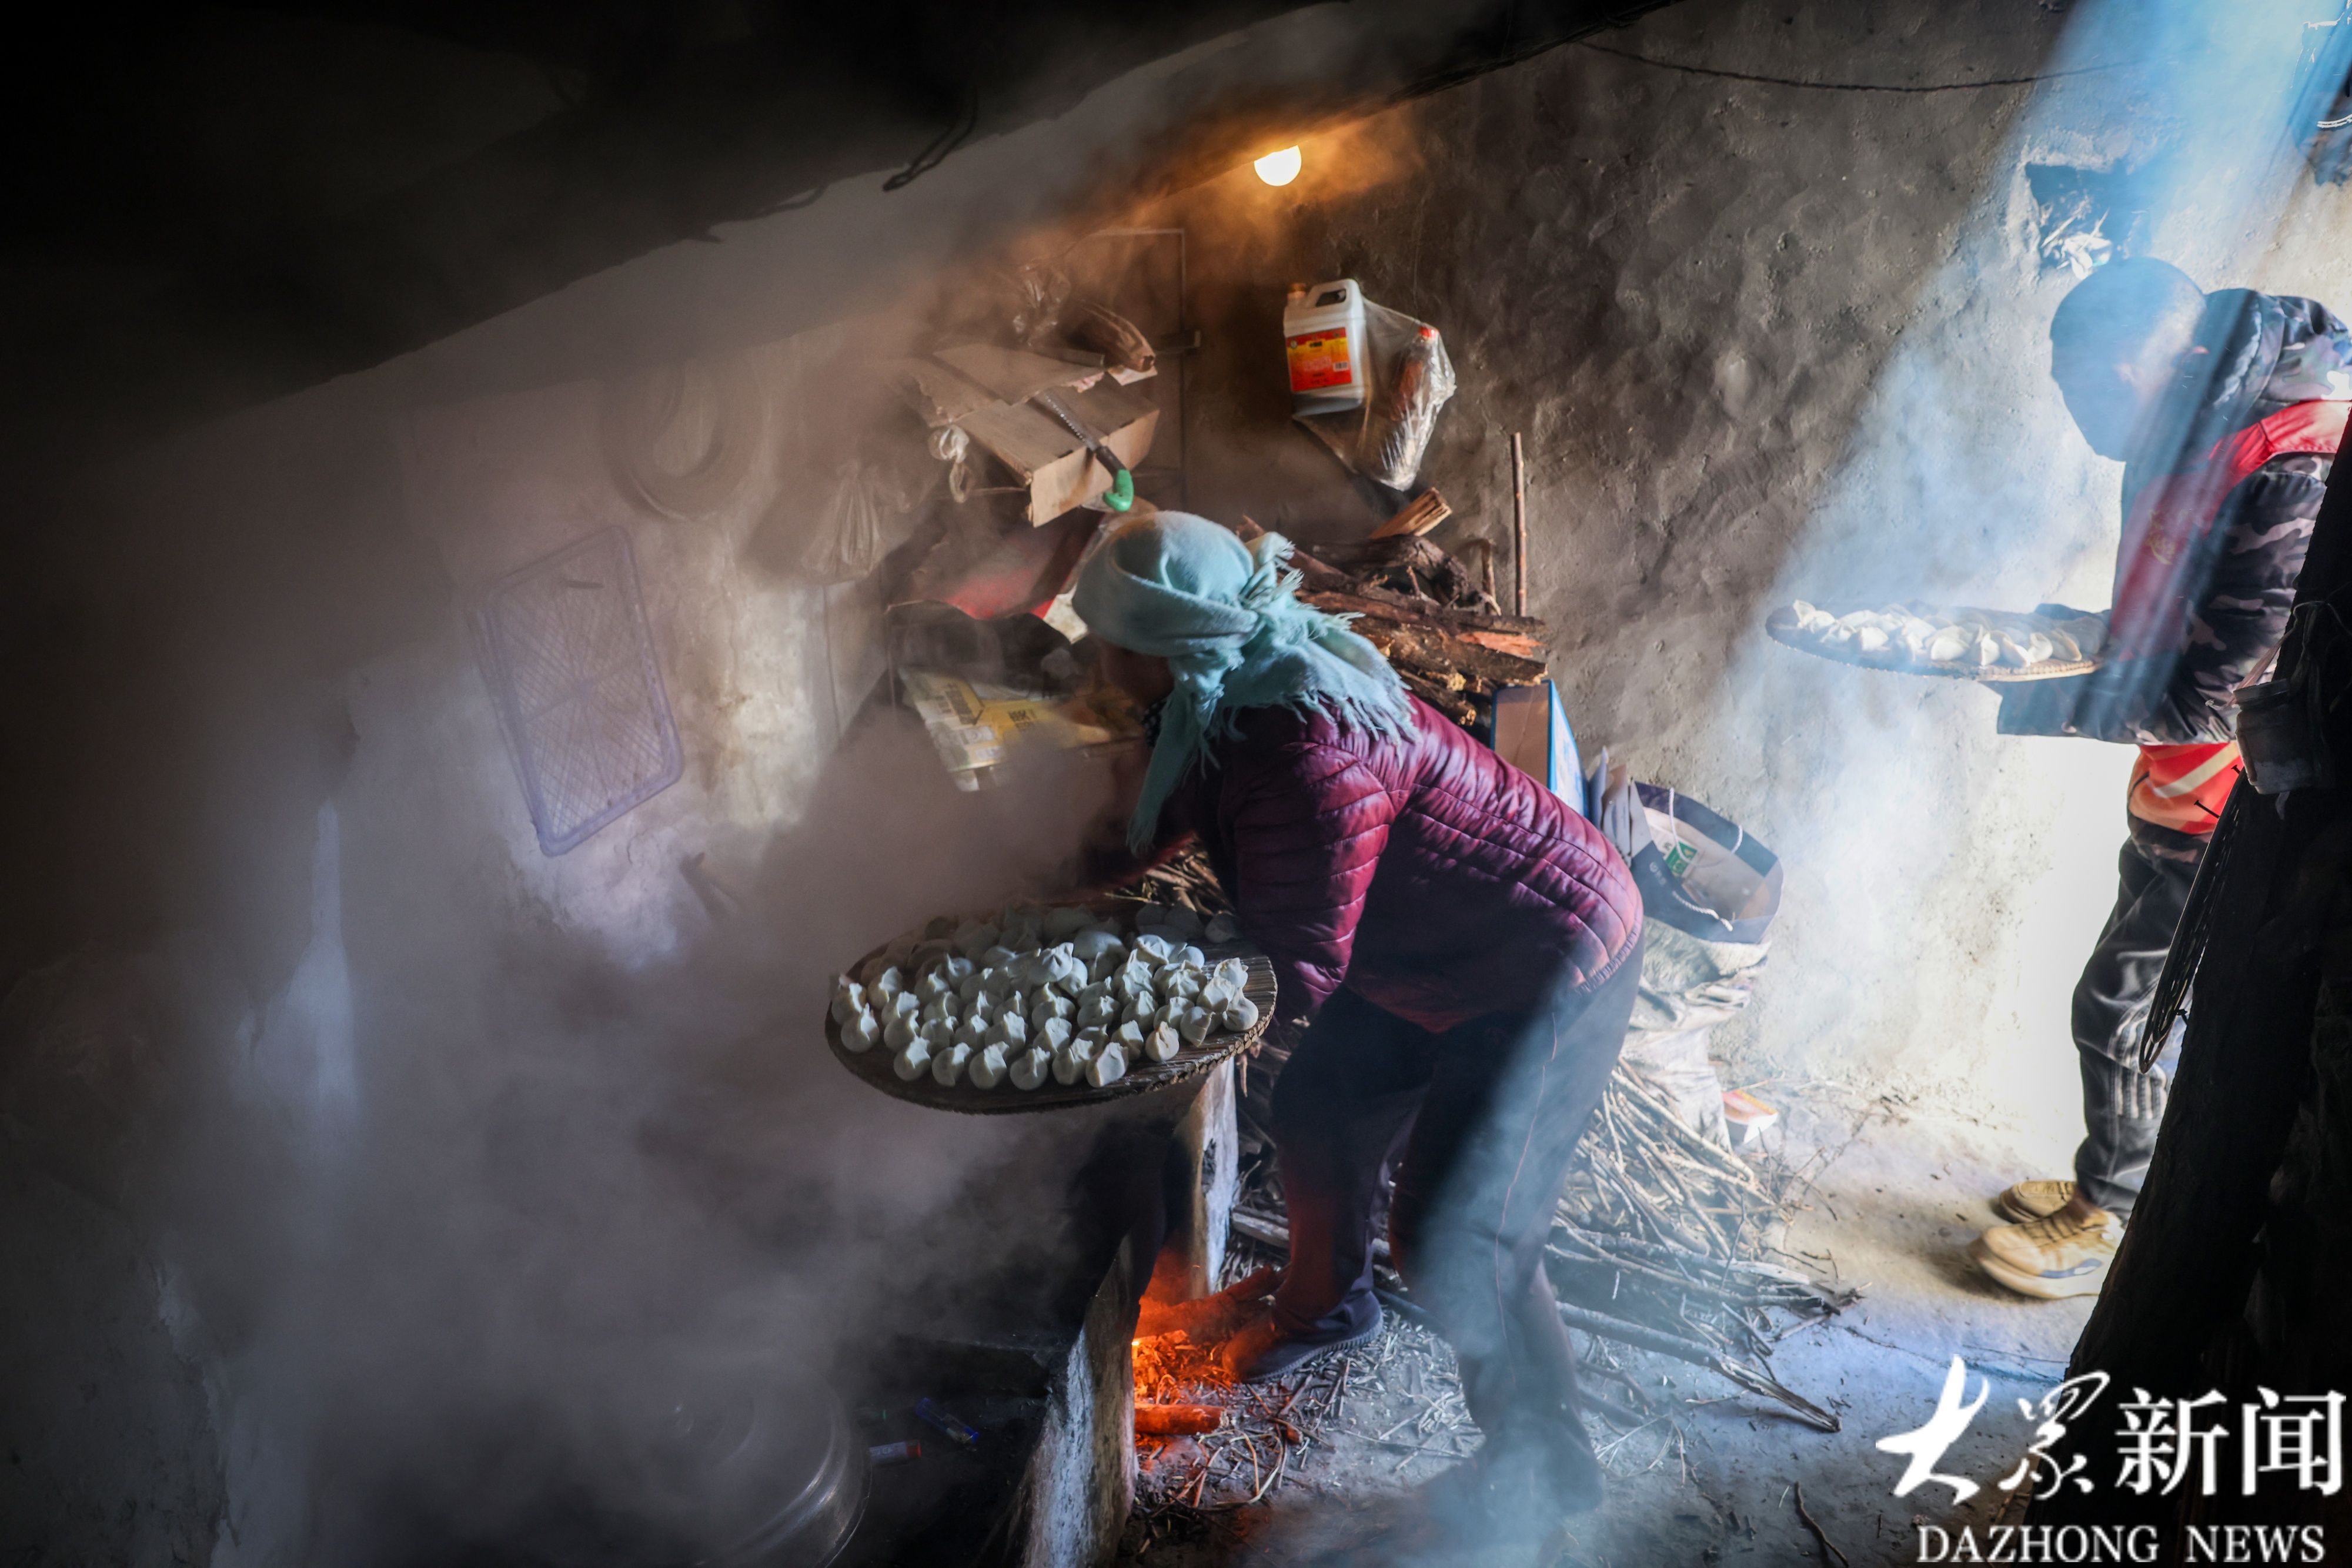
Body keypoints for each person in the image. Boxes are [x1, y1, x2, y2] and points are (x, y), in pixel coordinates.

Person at [1071, 511, 1643, 1519]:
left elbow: (1299, 965)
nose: (1094, 660)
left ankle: (1545, 1472)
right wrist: (1044, 878)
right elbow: (1167, 809)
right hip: (1435, 947)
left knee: (1462, 1238)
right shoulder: (1221, 689)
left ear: (1163, 647)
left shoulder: (1301, 743)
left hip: (1545, 959)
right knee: (1323, 1108)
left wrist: (1142, 1022)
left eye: (1107, 641)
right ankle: (1327, 1309)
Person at [1973, 259, 2352, 1299]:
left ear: (2177, 360)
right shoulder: (2187, 425)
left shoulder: (2294, 459)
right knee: (2128, 998)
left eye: (2101, 386)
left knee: (2126, 1005)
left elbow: (2218, 696)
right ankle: (2114, 1183)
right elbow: (2164, 619)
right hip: (2184, 787)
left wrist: (2029, 691)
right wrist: (2040, 639)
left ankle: (2111, 1218)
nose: (2084, 415)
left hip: (2249, 805)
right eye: (2070, 389)